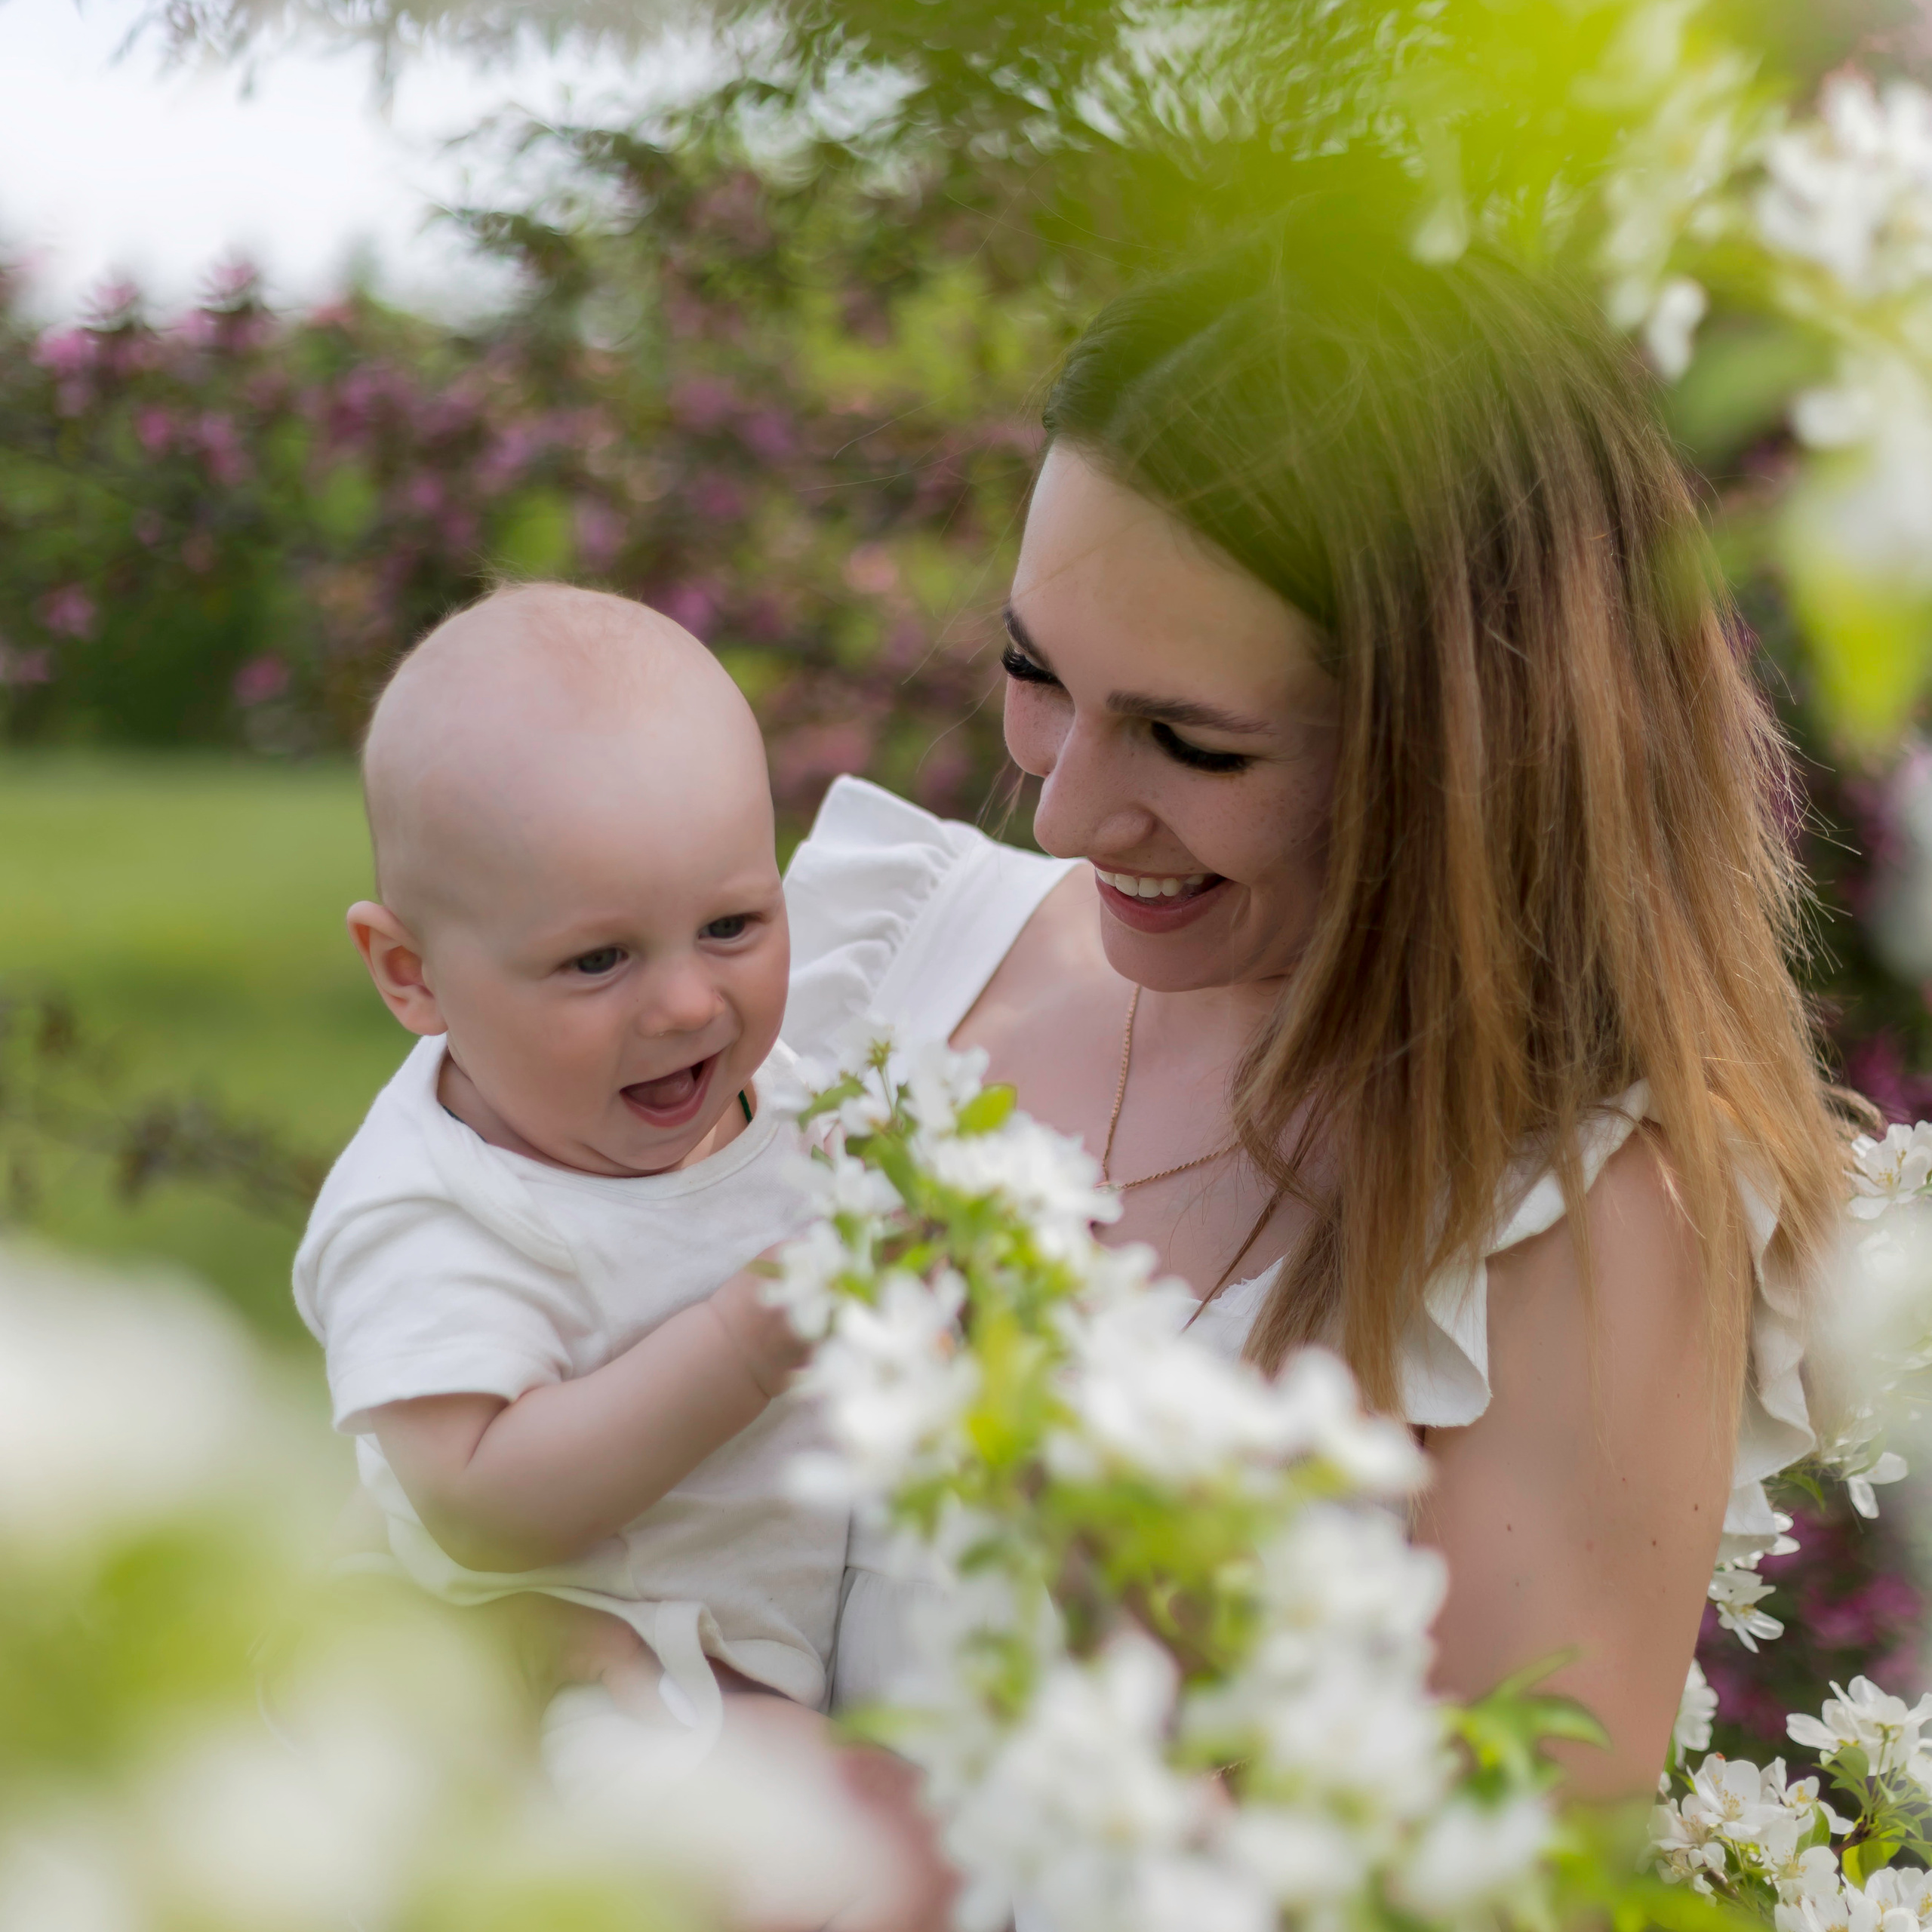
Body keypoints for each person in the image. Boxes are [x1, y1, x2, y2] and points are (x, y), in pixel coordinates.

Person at [782, 195, 1852, 1807]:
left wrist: (791, 1804)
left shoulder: (1572, 1229)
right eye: (1029, 671)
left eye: (1191, 744)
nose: (1061, 812)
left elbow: (1494, 1887)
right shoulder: (882, 952)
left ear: (1468, 762)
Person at [296, 583, 929, 1927]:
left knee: (891, 1842)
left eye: (733, 926)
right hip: (547, 1678)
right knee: (851, 1864)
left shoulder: (790, 1096)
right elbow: (469, 1494)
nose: (689, 1002)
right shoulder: (432, 1209)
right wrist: (748, 1341)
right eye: (597, 961)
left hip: (715, 1656)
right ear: (409, 974)